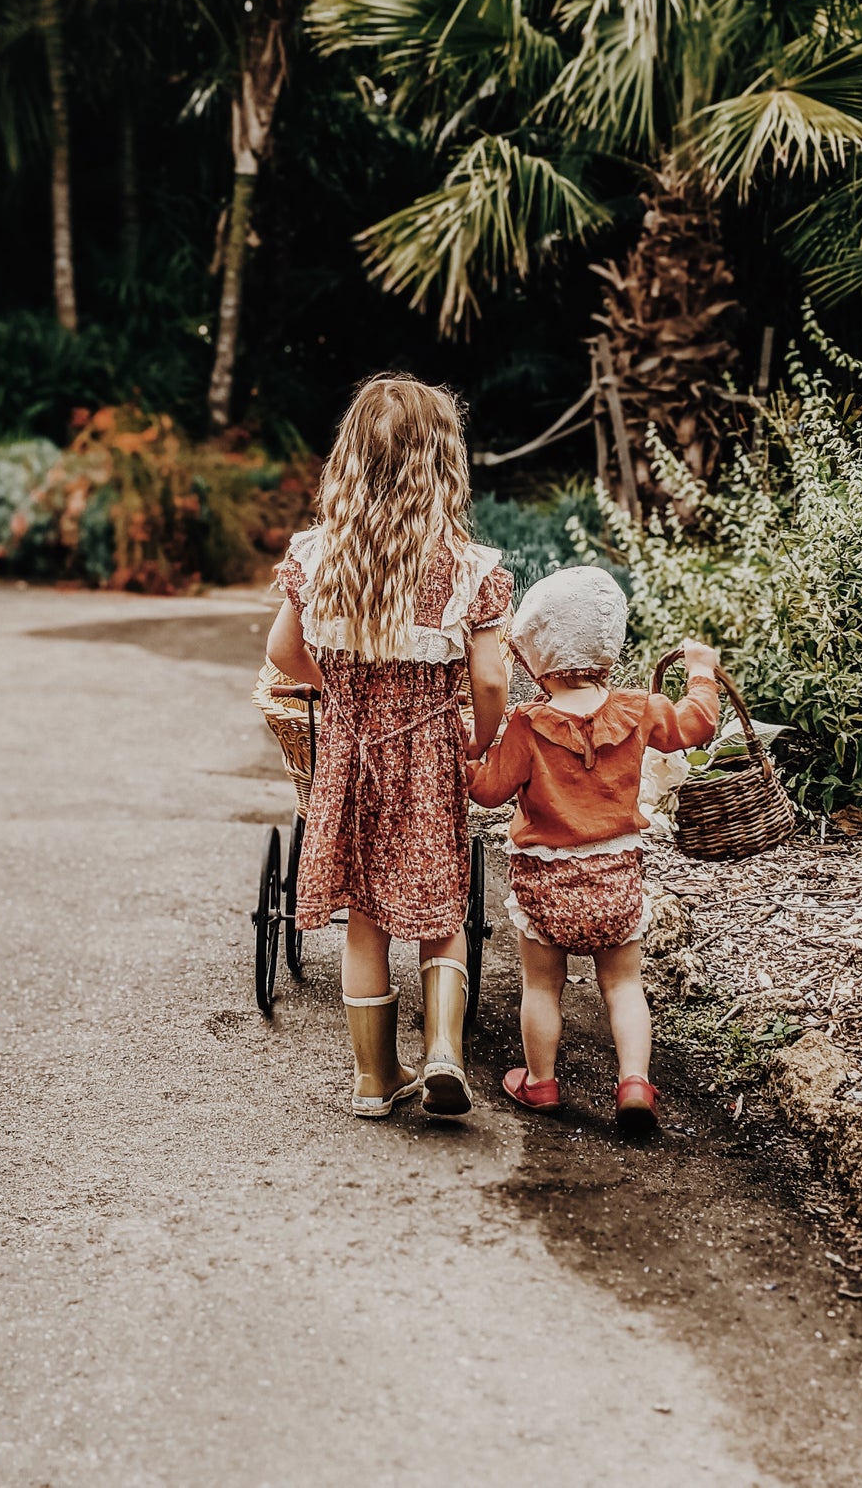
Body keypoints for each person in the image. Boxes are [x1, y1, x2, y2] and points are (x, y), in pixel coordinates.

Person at [266, 375, 512, 1120]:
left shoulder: (316, 558)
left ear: (349, 460)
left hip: (347, 757)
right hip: (428, 757)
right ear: (441, 465)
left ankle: (373, 1078)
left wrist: (335, 691)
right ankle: (442, 1050)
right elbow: (492, 679)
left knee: (364, 912)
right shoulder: (470, 569)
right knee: (440, 912)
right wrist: (478, 735)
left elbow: (283, 650)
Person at [467, 566, 719, 1132]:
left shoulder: (527, 726)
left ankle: (541, 1082)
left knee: (542, 985)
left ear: (535, 657)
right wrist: (701, 672)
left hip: (545, 884)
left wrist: (465, 757)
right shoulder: (641, 709)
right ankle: (634, 1082)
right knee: (624, 984)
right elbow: (697, 725)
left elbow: (488, 792)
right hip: (615, 880)